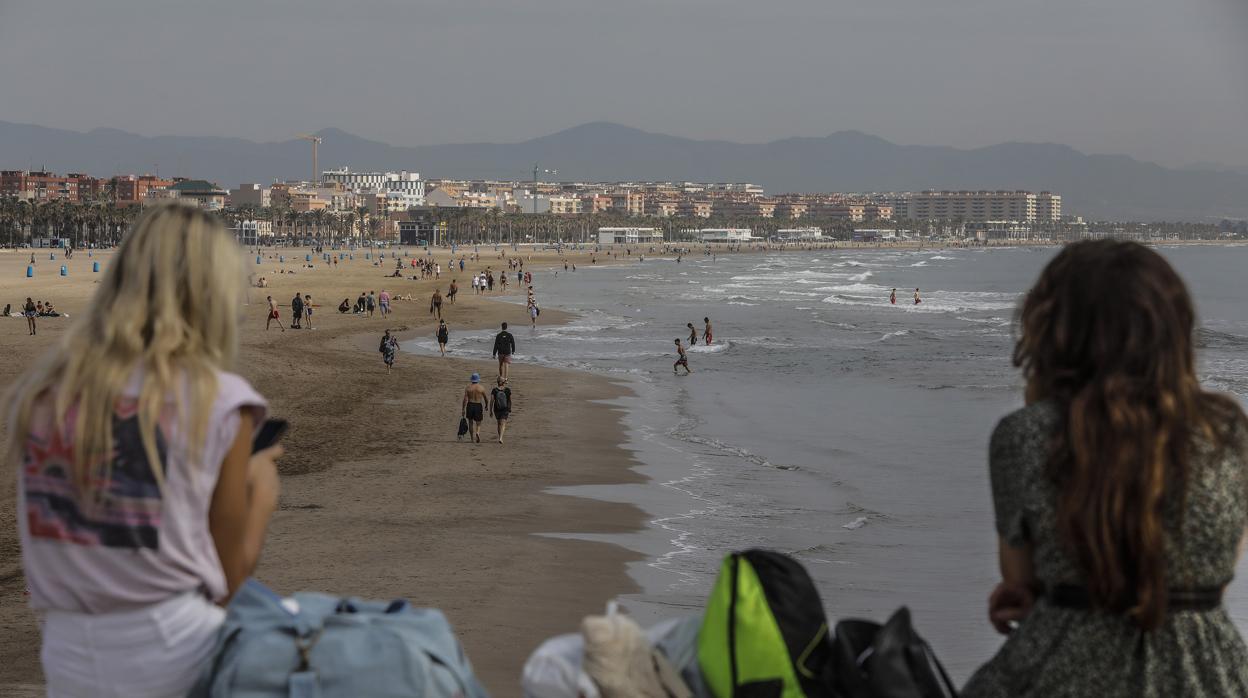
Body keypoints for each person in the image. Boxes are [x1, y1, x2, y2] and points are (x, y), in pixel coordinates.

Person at [9, 204, 282, 696]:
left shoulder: (43, 396)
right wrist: (261, 489)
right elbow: (231, 579)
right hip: (172, 646)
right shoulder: (217, 400)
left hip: (68, 650)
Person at [963, 241, 1248, 697]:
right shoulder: (1228, 431)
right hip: (1208, 675)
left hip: (1060, 672)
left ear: (1055, 332)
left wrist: (1056, 595)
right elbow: (1219, 564)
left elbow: (1018, 577)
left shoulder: (1025, 436)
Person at [462, 373, 488, 443]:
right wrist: (486, 405)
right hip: (478, 405)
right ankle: (477, 432)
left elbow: (465, 399)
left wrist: (463, 409)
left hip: (470, 405)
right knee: (478, 422)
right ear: (478, 380)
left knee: (470, 422)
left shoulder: (468, 388)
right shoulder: (481, 388)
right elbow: (485, 398)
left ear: (472, 380)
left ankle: (472, 439)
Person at [489, 376, 512, 444]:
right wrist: (509, 408)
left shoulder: (494, 390)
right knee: (503, 423)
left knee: (499, 423)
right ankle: (501, 438)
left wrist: (490, 410)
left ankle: (500, 436)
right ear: (503, 382)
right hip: (505, 409)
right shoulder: (507, 390)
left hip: (497, 409)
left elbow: (492, 401)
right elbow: (510, 400)